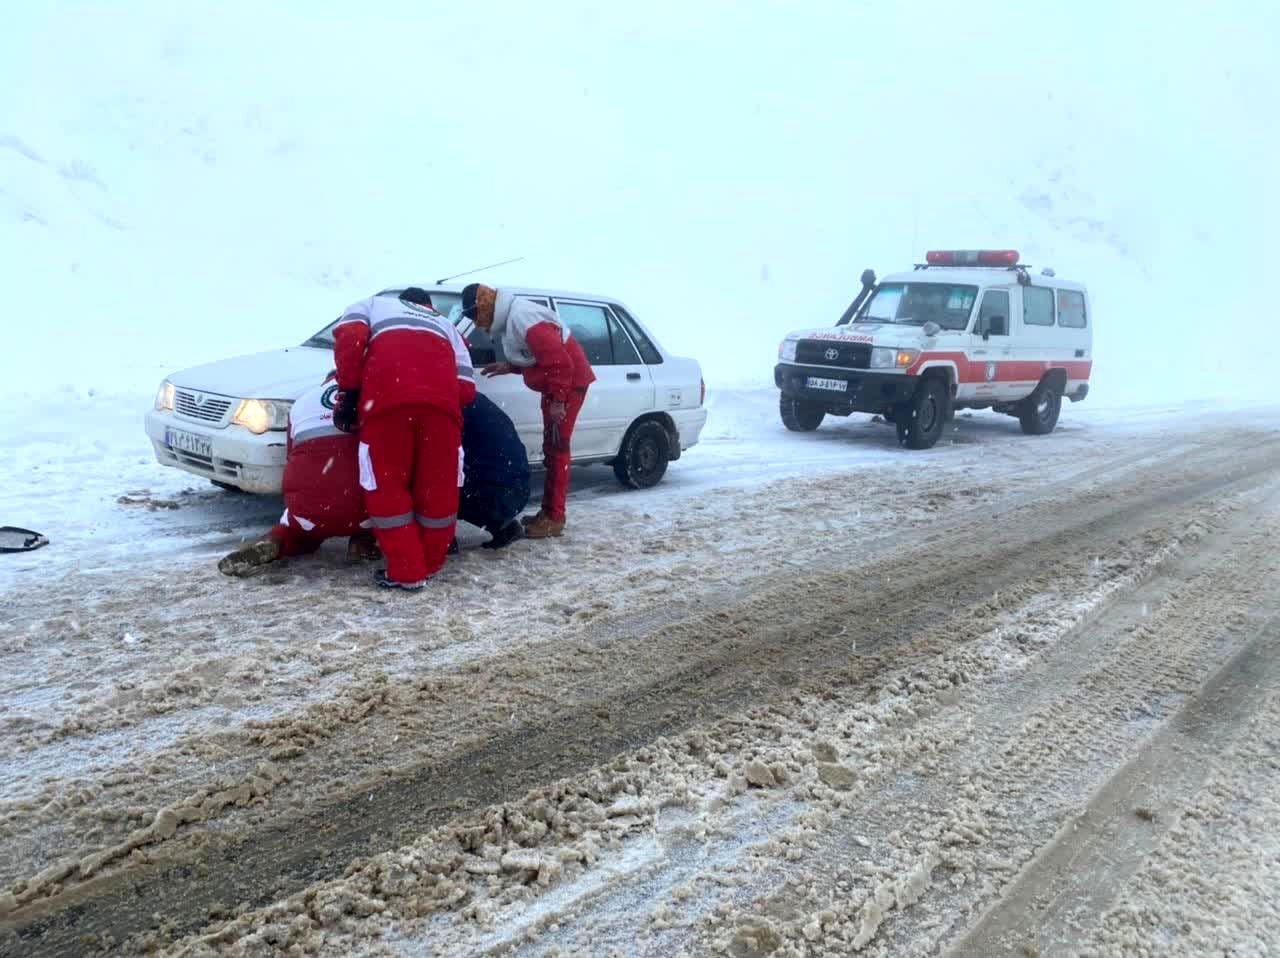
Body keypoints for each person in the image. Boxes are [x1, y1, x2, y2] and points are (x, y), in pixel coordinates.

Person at [332, 287, 475, 590]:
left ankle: (407, 571)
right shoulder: (446, 325)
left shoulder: (372, 304)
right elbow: (466, 388)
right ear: (427, 304)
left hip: (386, 404)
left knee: (386, 485)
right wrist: (430, 390)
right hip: (442, 412)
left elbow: (350, 339)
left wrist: (351, 391)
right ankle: (431, 562)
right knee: (438, 488)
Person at [461, 284, 595, 538]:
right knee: (551, 448)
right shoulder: (514, 316)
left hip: (567, 386)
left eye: (475, 317)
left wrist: (558, 401)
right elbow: (538, 358)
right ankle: (549, 512)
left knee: (557, 450)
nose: (478, 325)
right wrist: (510, 367)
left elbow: (561, 363)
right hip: (560, 386)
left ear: (485, 308)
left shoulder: (522, 318)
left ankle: (554, 517)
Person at [218, 376, 379, 576]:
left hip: (309, 501)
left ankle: (275, 541)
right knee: (386, 499)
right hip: (361, 505)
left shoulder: (303, 401)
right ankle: (363, 542)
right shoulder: (376, 395)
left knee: (301, 527)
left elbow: (291, 455)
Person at [459, 392, 530, 549]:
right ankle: (503, 527)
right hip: (516, 487)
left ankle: (439, 540)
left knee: (430, 481)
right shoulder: (471, 398)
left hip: (496, 492)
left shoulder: (452, 406)